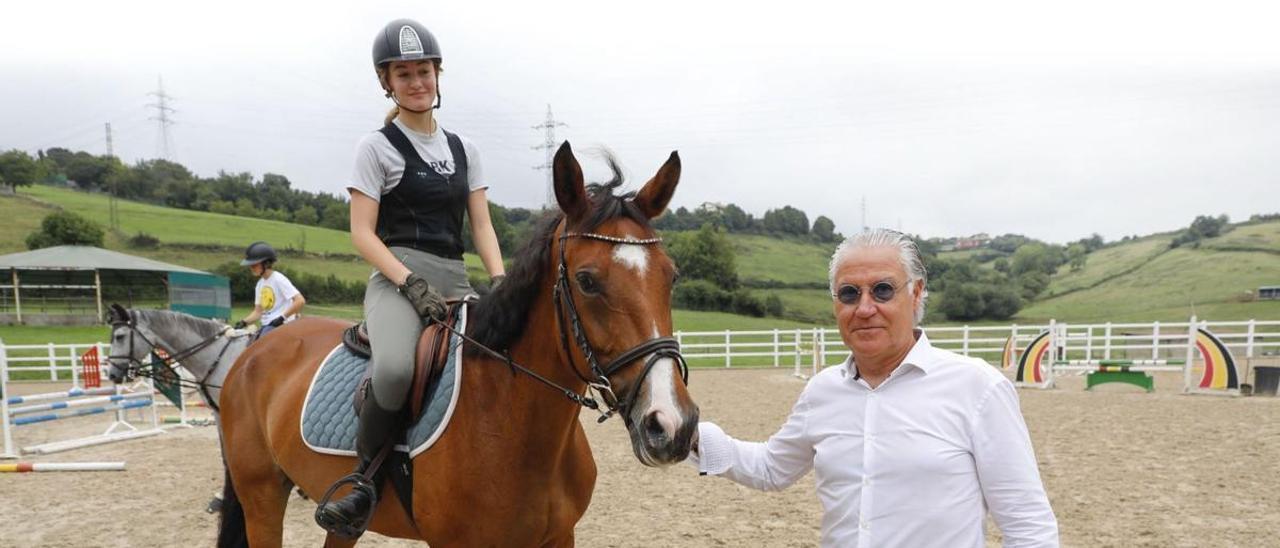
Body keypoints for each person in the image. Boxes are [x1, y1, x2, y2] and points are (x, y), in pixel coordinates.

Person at [689, 229, 1058, 547]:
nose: (865, 308)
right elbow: (771, 468)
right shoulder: (822, 392)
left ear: (916, 294)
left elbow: (1028, 525)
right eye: (849, 293)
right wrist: (686, 433)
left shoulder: (978, 388)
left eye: (882, 290)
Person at [315, 18, 506, 536]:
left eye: (424, 71)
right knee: (397, 369)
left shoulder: (465, 150)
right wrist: (408, 283)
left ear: (438, 75)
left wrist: (500, 279)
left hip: (455, 277)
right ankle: (362, 482)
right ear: (387, 82)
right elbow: (362, 234)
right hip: (396, 280)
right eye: (404, 74)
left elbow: (482, 224)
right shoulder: (375, 147)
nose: (416, 82)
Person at [233, 241, 304, 338]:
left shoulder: (279, 279)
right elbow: (258, 312)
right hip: (267, 326)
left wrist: (282, 318)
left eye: (254, 265)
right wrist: (244, 322)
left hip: (282, 325)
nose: (251, 268)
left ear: (266, 264)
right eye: (250, 265)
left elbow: (300, 301)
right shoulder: (260, 284)